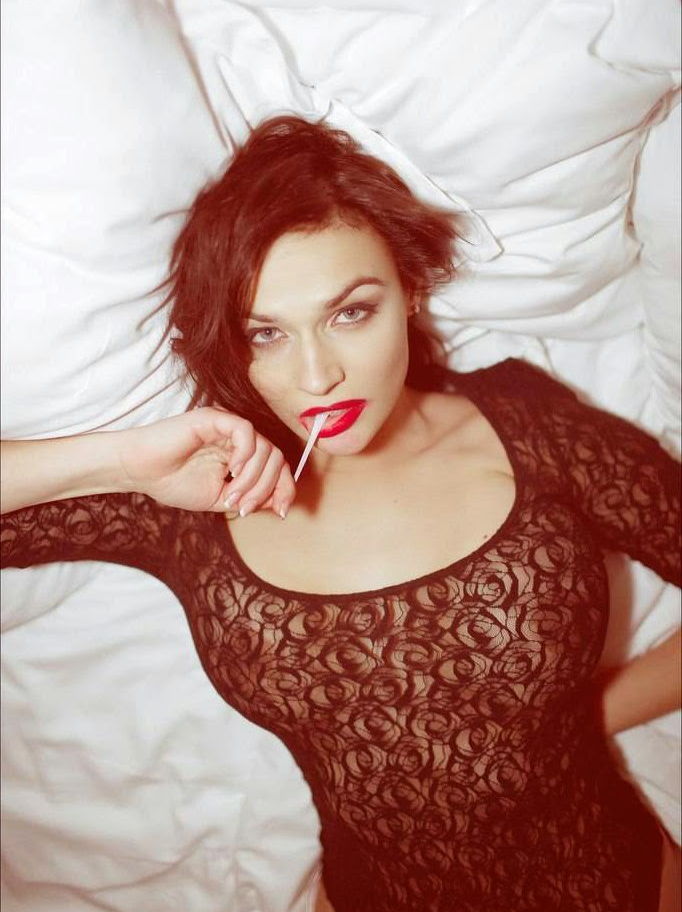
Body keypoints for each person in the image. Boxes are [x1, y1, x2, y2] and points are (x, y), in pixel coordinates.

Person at [1, 116, 680, 912]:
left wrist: (576, 718)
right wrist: (117, 460)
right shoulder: (195, 494)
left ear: (410, 289)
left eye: (350, 313)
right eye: (266, 334)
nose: (318, 374)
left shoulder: (533, 431)